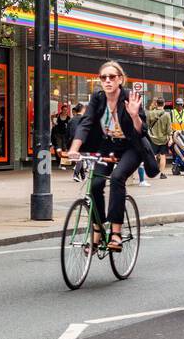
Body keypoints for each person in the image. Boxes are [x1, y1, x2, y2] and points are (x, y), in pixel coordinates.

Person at [66, 61, 147, 251]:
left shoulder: (129, 96)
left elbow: (142, 131)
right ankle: (98, 228)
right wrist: (74, 149)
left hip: (131, 147)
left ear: (120, 79)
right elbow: (86, 122)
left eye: (112, 77)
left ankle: (116, 233)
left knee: (118, 178)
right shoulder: (98, 97)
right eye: (103, 77)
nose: (108, 81)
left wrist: (135, 115)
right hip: (107, 146)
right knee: (94, 184)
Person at [146, 98, 170, 179]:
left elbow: (147, 126)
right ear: (164, 104)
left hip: (152, 138)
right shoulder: (167, 115)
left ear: (156, 104)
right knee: (163, 156)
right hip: (163, 139)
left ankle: (152, 172)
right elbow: (169, 129)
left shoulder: (150, 113)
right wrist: (170, 138)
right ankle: (162, 174)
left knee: (153, 156)